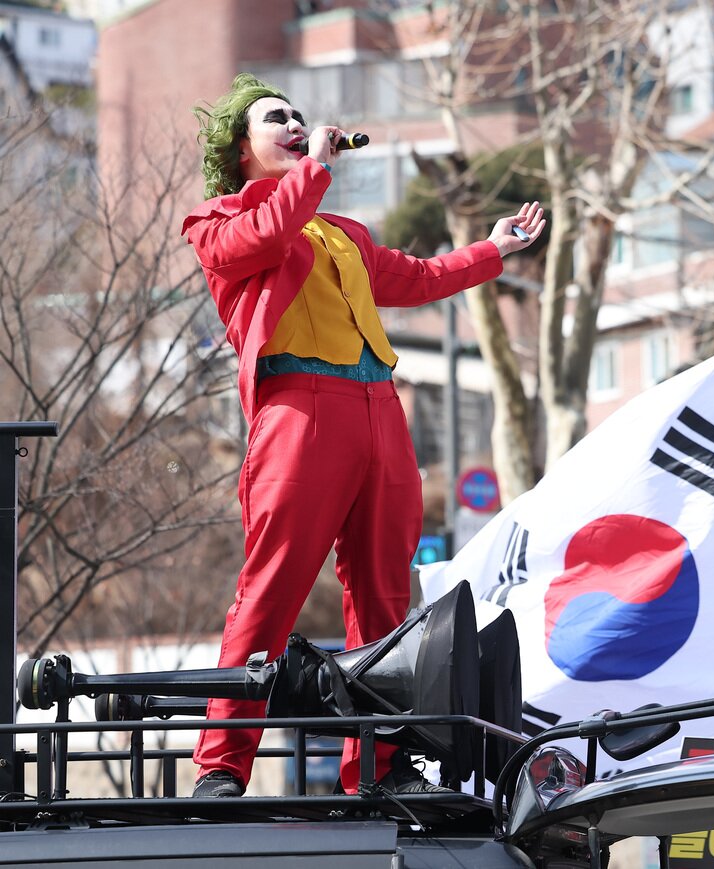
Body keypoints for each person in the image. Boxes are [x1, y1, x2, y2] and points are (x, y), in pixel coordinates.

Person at [183, 73, 545, 798]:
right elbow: (265, 235)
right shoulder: (219, 220)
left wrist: (491, 250)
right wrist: (313, 166)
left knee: (384, 598)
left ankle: (376, 766)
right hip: (299, 410)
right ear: (241, 151)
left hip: (380, 407)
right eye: (275, 119)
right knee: (272, 587)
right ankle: (221, 765)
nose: (294, 123)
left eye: (298, 115)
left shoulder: (343, 233)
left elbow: (412, 278)